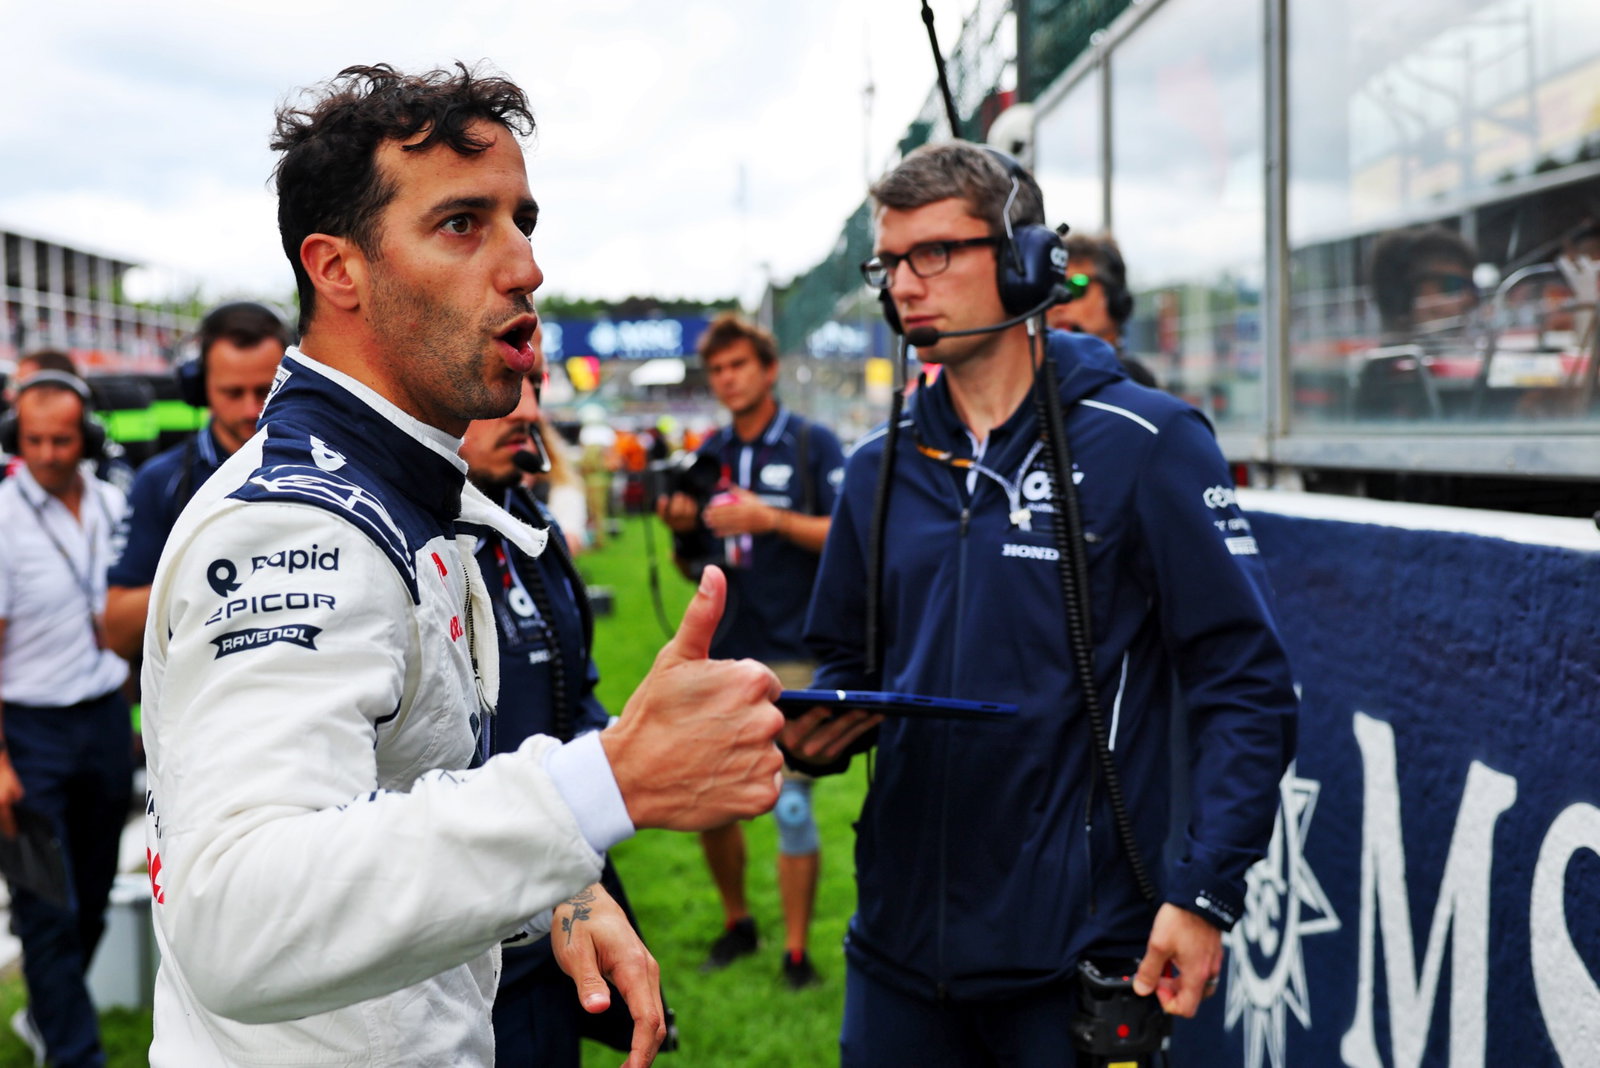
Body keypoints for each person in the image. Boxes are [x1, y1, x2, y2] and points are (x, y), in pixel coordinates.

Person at [138, 62, 784, 1066]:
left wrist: (560, 887)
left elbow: (401, 795)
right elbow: (233, 914)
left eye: (522, 220)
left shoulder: (406, 488)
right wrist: (603, 784)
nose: (524, 264)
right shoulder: (299, 525)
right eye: (462, 224)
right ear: (337, 270)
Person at [782, 141, 1297, 1065]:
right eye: (889, 262)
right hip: (896, 951)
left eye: (934, 253)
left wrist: (1204, 892)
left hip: (1079, 956)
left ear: (1029, 264)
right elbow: (847, 667)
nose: (905, 285)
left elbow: (1246, 683)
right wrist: (824, 719)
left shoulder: (1150, 440)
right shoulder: (875, 469)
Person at [462, 371, 661, 1064]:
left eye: (536, 385)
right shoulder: (390, 542)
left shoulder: (529, 528)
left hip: (549, 949)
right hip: (444, 964)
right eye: (501, 380)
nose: (530, 411)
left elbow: (575, 700)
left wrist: (632, 756)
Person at [656, 313, 845, 989]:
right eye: (718, 370)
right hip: (723, 648)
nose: (728, 379)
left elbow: (847, 538)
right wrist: (681, 534)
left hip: (794, 647)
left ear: (767, 370)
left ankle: (797, 952)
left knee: (791, 806)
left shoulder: (811, 443)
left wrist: (772, 520)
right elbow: (695, 568)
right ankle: (739, 924)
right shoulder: (705, 453)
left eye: (739, 366)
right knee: (710, 803)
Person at [0, 371, 134, 1067]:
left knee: (91, 902)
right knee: (46, 911)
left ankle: (49, 1016)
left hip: (105, 726)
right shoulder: (3, 517)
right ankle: (75, 1054)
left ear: (85, 436)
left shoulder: (115, 504)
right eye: (33, 440)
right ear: (14, 440)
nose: (49, 454)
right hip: (28, 736)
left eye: (61, 439)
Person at [103, 302, 291, 659]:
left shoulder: (330, 467)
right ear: (199, 389)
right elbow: (117, 629)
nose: (252, 410)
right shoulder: (160, 481)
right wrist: (218, 570)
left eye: (266, 390)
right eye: (233, 393)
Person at [1045, 230, 1159, 388]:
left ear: (1115, 299)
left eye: (1075, 287)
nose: (1058, 305)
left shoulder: (1136, 383)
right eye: (1050, 291)